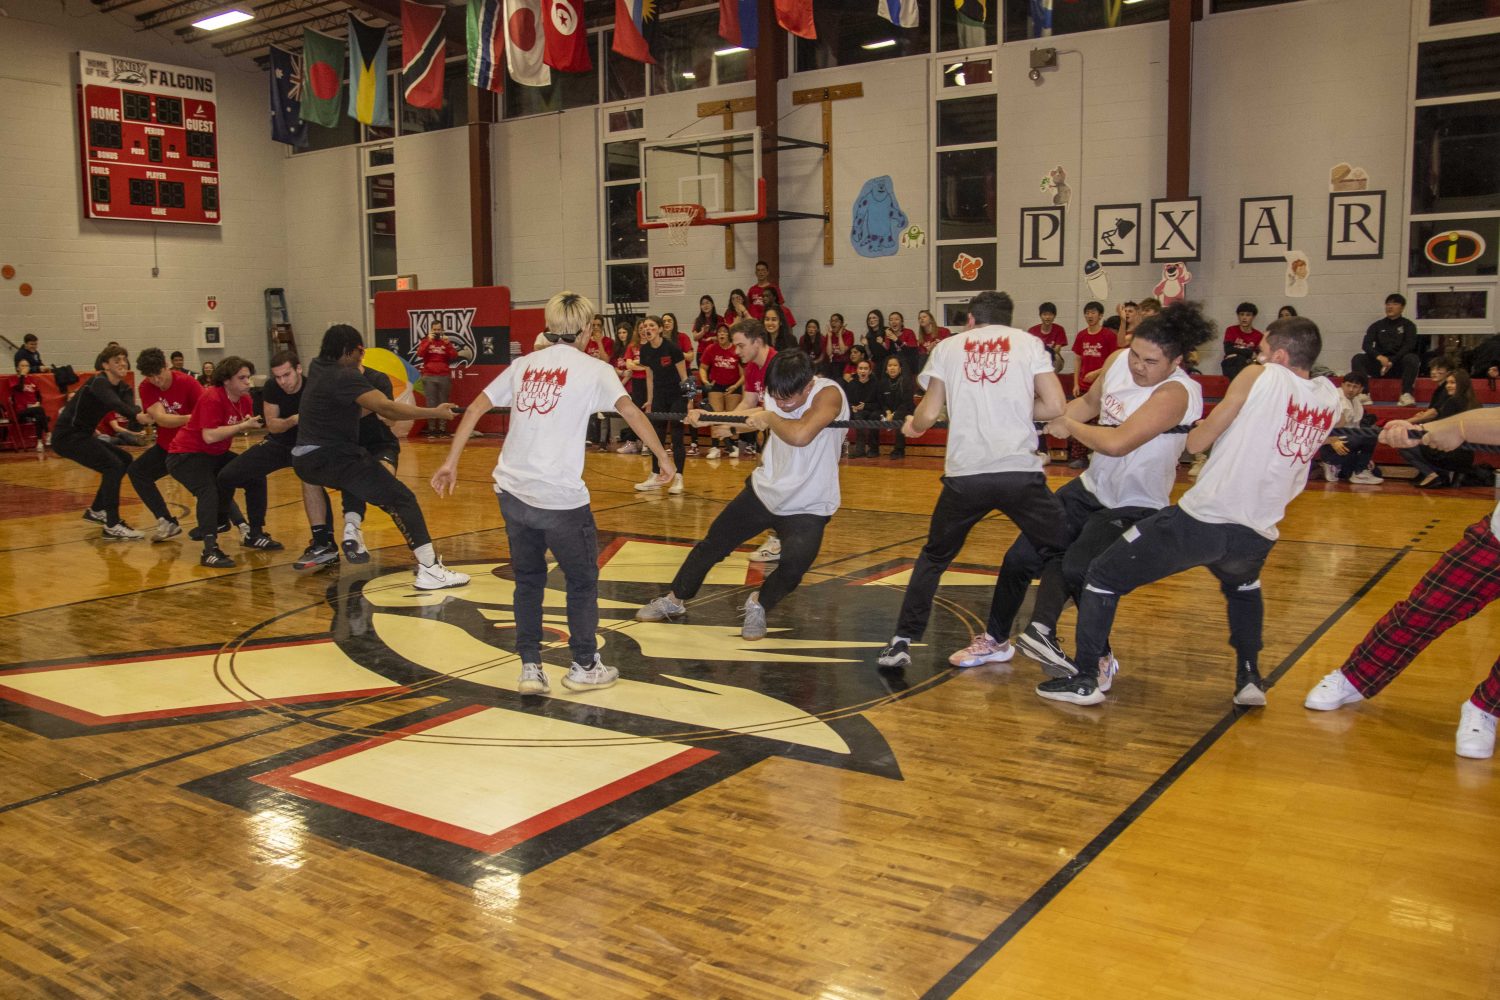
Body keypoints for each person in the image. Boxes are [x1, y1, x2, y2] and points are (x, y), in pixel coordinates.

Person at [1035, 316, 1341, 707]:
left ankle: (1085, 678)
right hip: (1258, 529)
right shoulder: (1328, 396)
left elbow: (1197, 442)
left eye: (1263, 350)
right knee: (1243, 589)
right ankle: (1249, 678)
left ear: (1279, 355)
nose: (1258, 356)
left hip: (1206, 518)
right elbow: (1330, 415)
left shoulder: (1258, 376)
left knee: (1099, 575)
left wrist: (1206, 429)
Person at [433, 292, 672, 693]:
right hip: (559, 499)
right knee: (581, 582)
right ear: (584, 330)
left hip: (511, 491)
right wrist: (663, 457)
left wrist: (450, 462)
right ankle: (583, 665)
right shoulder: (595, 369)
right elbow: (630, 411)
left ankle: (531, 666)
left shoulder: (523, 365)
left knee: (528, 579)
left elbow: (474, 409)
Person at [1003, 303, 1210, 678]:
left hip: (1134, 501)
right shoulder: (1117, 361)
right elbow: (1088, 404)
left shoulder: (1177, 393)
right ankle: (1029, 634)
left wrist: (1070, 427)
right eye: (1135, 354)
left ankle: (1096, 657)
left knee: (1081, 566)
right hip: (1093, 486)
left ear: (1176, 361)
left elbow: (1117, 443)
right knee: (1026, 552)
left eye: (1150, 361)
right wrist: (1035, 420)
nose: (1137, 366)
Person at [877, 291, 1072, 668]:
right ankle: (1051, 632)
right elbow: (1054, 407)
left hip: (967, 475)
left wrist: (912, 428)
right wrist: (1013, 406)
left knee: (935, 556)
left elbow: (929, 413)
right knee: (1064, 550)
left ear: (970, 319)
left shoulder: (949, 347)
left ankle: (901, 641)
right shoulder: (1029, 343)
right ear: (1008, 320)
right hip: (1018, 472)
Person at [1303, 407, 1500, 758]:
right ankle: (1356, 677)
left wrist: (1454, 427)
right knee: (1425, 609)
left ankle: (1485, 708)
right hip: (1496, 541)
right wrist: (1442, 427)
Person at [638, 349, 846, 640]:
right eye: (777, 397)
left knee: (793, 569)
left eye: (790, 399)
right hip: (766, 490)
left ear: (809, 386)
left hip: (809, 502)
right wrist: (709, 417)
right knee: (713, 544)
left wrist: (771, 416)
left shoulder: (829, 394)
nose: (783, 404)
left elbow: (800, 434)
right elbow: (753, 414)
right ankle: (675, 599)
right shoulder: (778, 394)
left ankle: (758, 604)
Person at [292, 323, 469, 590]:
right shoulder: (344, 376)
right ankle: (431, 570)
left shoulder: (317, 366)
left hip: (305, 460)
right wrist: (436, 412)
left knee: (371, 483)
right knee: (403, 499)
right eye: (359, 351)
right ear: (347, 352)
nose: (361, 357)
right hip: (331, 456)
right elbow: (388, 409)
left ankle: (353, 530)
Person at [217, 351, 338, 567]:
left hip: (307, 445)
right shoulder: (273, 388)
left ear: (299, 369)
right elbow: (272, 424)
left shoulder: (314, 388)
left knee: (313, 483)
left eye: (287, 375)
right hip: (279, 443)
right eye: (278, 376)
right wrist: (293, 419)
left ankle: (325, 541)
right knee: (229, 474)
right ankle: (251, 531)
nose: (283, 381)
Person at [165, 357, 284, 568]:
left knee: (254, 475)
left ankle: (254, 533)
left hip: (215, 453)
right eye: (242, 378)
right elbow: (209, 436)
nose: (248, 382)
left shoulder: (244, 400)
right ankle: (209, 550)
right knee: (208, 490)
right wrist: (241, 426)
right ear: (227, 380)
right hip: (186, 455)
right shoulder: (212, 397)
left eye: (248, 377)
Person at [51, 345, 155, 538]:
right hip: (67, 436)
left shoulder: (123, 387)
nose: (123, 363)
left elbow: (130, 411)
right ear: (105, 365)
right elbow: (114, 404)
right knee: (113, 466)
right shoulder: (98, 381)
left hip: (83, 435)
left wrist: (146, 418)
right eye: (117, 360)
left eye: (124, 359)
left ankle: (97, 510)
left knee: (124, 459)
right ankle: (112, 524)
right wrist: (138, 415)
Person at [131, 348, 203, 542]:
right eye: (150, 376)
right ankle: (165, 520)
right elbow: (162, 420)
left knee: (204, 486)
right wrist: (190, 418)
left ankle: (237, 523)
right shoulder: (146, 386)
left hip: (190, 447)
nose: (156, 380)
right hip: (166, 447)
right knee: (138, 472)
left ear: (166, 367)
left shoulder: (188, 383)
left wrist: (191, 420)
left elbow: (206, 413)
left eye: (158, 374)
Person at [634, 315, 688, 495]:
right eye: (644, 326)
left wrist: (690, 400)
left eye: (651, 326)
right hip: (659, 396)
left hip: (677, 396)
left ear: (659, 329)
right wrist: (650, 399)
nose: (647, 329)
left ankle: (679, 477)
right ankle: (655, 475)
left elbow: (684, 376)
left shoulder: (671, 348)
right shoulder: (645, 350)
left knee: (677, 437)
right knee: (655, 437)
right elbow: (650, 377)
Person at [1401, 369, 1480, 488]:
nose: (1448, 386)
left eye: (1453, 383)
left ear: (1462, 384)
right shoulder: (1475, 403)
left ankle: (1432, 475)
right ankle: (1440, 474)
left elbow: (1441, 428)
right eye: (1448, 383)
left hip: (1449, 454)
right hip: (1467, 457)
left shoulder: (1452, 402)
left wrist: (1421, 426)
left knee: (1403, 443)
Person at [1067, 301, 1119, 468]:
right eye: (1087, 312)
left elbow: (1114, 359)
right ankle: (1079, 457)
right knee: (1080, 421)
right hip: (1083, 387)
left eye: (1093, 312)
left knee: (1101, 423)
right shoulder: (1082, 335)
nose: (1089, 316)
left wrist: (1097, 374)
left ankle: (1099, 457)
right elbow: (1077, 360)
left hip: (1103, 387)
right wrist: (1076, 383)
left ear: (1100, 315)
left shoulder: (1108, 336)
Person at [1351, 293, 1421, 406]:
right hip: (1379, 366)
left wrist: (1392, 361)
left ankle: (1406, 394)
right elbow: (1366, 345)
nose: (1390, 307)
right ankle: (1364, 394)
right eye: (1388, 304)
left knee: (1412, 358)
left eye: (1395, 304)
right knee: (1358, 358)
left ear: (1402, 307)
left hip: (1398, 366)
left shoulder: (1409, 325)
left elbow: (1409, 345)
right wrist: (1379, 357)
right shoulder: (1377, 325)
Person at [1315, 371, 1382, 485]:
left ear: (1361, 389)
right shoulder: (1332, 399)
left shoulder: (1357, 403)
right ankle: (1331, 463)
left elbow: (1355, 428)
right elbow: (1319, 426)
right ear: (1342, 385)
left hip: (1347, 443)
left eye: (1355, 387)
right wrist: (1331, 439)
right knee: (1369, 436)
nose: (1351, 389)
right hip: (1330, 443)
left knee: (1377, 472)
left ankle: (1349, 469)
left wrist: (1365, 459)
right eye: (1348, 385)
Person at [415, 319, 472, 436]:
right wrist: (428, 341)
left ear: (442, 330)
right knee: (430, 404)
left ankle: (441, 429)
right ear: (431, 330)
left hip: (443, 376)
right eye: (434, 330)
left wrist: (447, 344)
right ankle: (431, 429)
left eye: (438, 330)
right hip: (429, 376)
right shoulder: (425, 341)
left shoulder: (446, 342)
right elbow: (420, 353)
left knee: (444, 403)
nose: (436, 332)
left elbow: (454, 356)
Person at [698, 325, 743, 459]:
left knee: (732, 417)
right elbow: (703, 368)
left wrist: (735, 386)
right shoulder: (711, 349)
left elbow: (744, 374)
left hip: (733, 386)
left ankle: (733, 446)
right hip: (716, 386)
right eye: (719, 332)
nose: (722, 334)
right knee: (715, 416)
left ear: (729, 335)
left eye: (724, 332)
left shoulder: (736, 349)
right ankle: (715, 447)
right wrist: (705, 381)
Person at [615, 321, 648, 454]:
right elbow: (629, 365)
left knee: (649, 412)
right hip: (637, 382)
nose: (643, 330)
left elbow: (653, 365)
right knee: (636, 411)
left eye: (645, 328)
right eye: (640, 328)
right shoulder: (632, 346)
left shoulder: (652, 345)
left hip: (651, 382)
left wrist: (638, 363)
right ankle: (632, 442)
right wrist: (643, 365)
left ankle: (646, 443)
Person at [874, 355, 915, 459]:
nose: (892, 368)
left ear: (900, 368)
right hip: (888, 411)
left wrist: (893, 414)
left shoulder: (907, 382)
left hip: (904, 410)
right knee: (873, 415)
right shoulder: (882, 383)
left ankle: (899, 450)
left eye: (895, 365)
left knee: (899, 418)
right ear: (886, 369)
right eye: (889, 365)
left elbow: (907, 402)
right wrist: (887, 412)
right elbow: (881, 401)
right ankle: (873, 449)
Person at [11, 359, 49, 450]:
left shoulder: (32, 379)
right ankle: (48, 433)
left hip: (34, 409)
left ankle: (39, 443)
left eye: (27, 366)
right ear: (17, 368)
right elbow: (19, 388)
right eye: (22, 366)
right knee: (40, 410)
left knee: (39, 415)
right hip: (21, 411)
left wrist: (38, 402)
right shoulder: (13, 379)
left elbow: (39, 395)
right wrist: (22, 375)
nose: (25, 368)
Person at [844, 358, 878, 457]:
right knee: (858, 415)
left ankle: (874, 450)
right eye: (861, 368)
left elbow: (879, 403)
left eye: (866, 369)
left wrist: (866, 406)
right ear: (857, 370)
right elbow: (847, 402)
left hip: (872, 410)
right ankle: (860, 450)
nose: (863, 371)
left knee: (874, 417)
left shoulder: (875, 384)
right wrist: (852, 407)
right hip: (857, 411)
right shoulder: (851, 384)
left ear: (870, 371)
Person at [1221, 302, 1262, 380]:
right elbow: (1228, 350)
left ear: (1253, 317)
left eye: (1248, 315)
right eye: (1242, 314)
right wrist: (1249, 352)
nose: (1244, 318)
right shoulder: (1231, 330)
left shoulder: (1258, 335)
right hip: (1231, 364)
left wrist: (1237, 351)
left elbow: (1257, 355)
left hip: (1248, 364)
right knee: (1237, 360)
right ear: (1238, 316)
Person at [1027, 302, 1067, 372]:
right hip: (1037, 358)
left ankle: (1051, 379)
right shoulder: (1032, 330)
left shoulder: (1059, 329)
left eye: (1050, 314)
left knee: (1056, 358)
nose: (1047, 317)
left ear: (1054, 316)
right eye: (1045, 314)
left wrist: (1046, 351)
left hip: (1052, 358)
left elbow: (1057, 349)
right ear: (1040, 316)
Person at [822, 313, 853, 380]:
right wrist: (829, 337)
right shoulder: (829, 335)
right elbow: (829, 353)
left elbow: (842, 351)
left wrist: (839, 335)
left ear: (841, 323)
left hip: (845, 363)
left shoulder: (849, 334)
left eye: (836, 321)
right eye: (831, 321)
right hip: (834, 363)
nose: (833, 323)